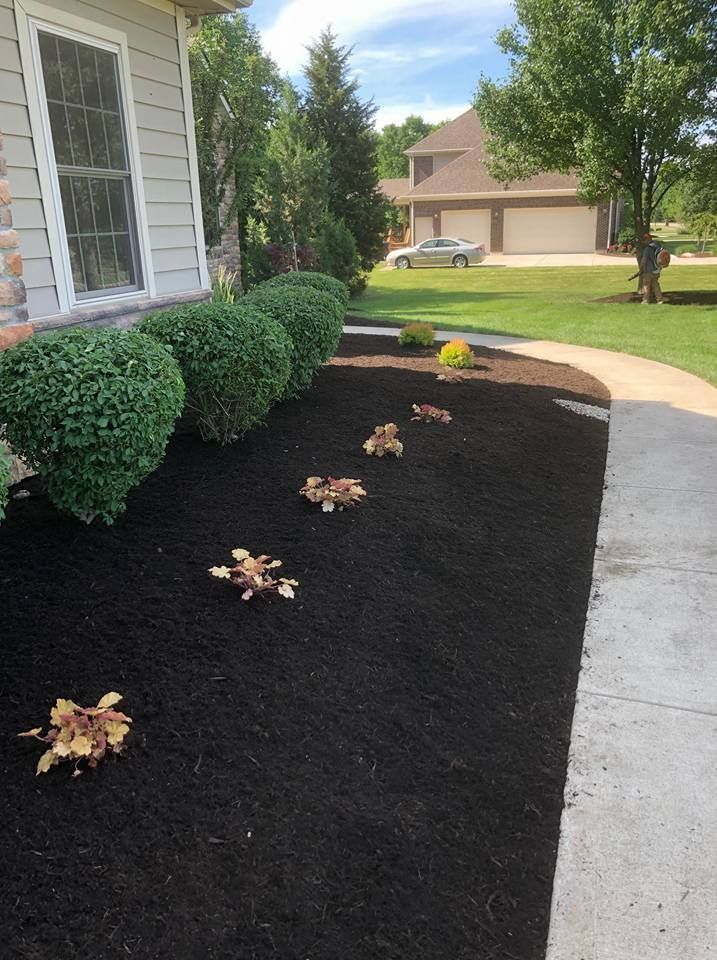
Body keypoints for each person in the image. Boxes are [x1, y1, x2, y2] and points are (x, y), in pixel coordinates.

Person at [639, 233, 665, 304]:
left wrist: (641, 269)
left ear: (647, 240)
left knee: (646, 285)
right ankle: (660, 300)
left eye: (644, 240)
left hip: (648, 271)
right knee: (655, 285)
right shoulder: (657, 247)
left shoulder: (647, 249)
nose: (643, 242)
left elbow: (644, 260)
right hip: (657, 270)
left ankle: (645, 300)